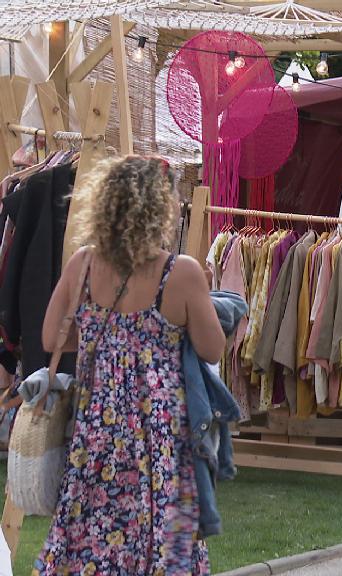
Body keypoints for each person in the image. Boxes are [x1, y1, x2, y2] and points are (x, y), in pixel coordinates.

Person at [37, 156, 225, 574]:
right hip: (161, 439)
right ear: (159, 209)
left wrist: (100, 338)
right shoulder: (181, 273)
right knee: (165, 543)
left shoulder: (83, 265)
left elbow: (51, 339)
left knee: (91, 535)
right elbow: (212, 350)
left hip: (96, 435)